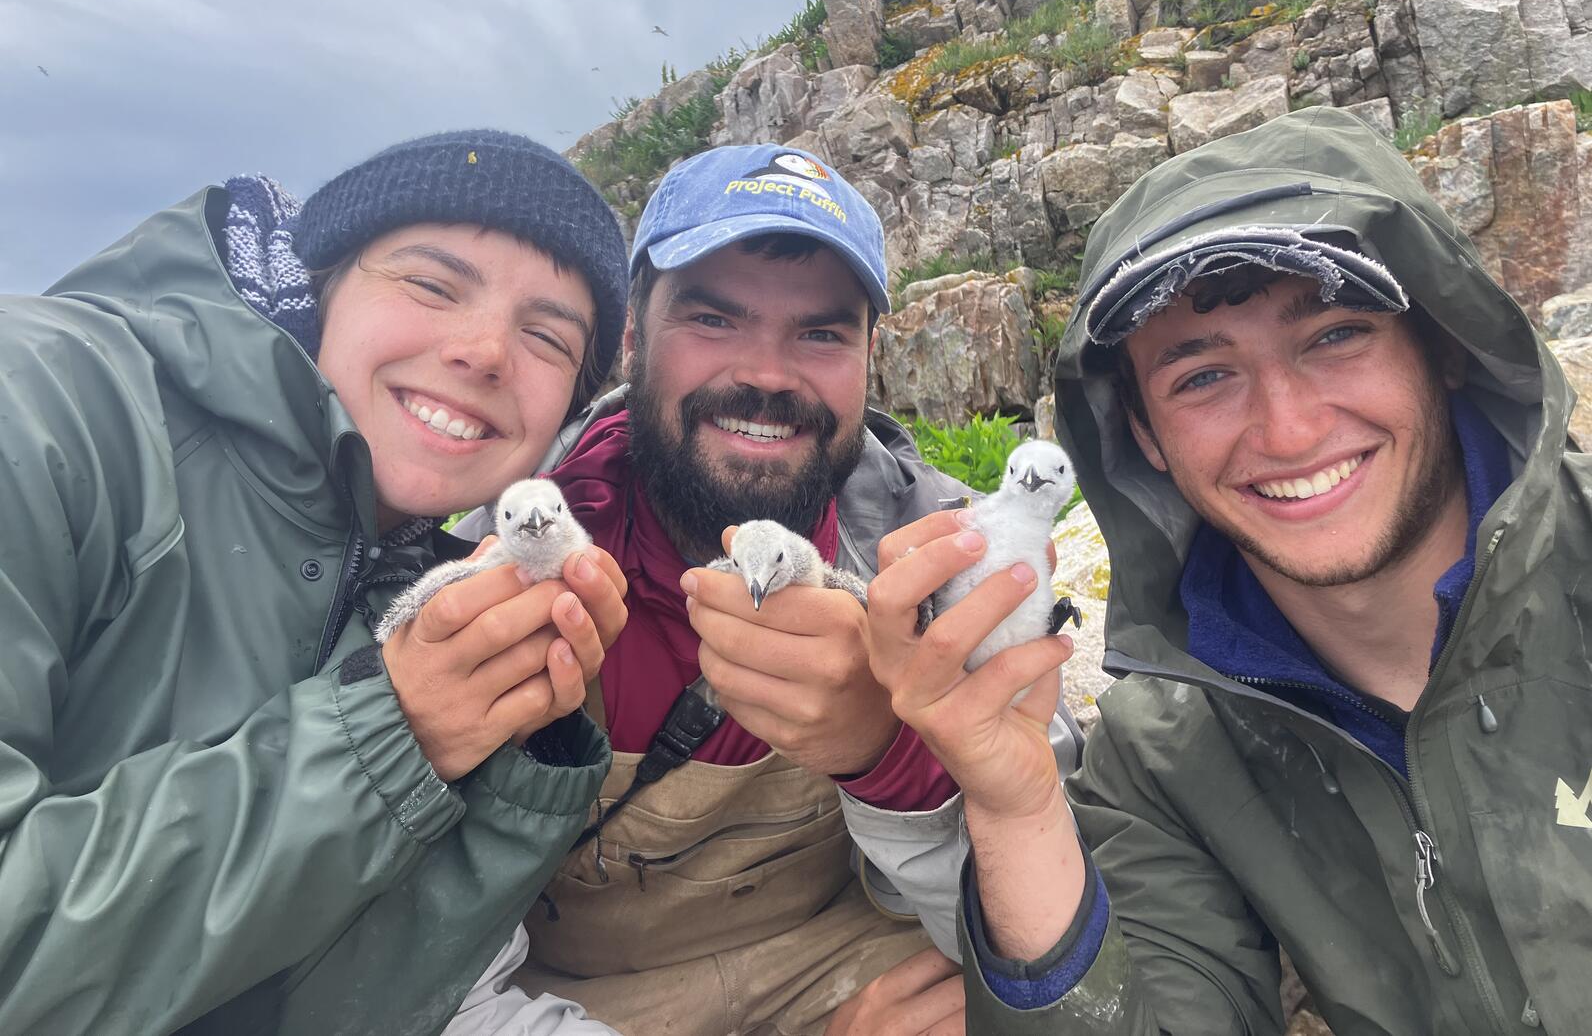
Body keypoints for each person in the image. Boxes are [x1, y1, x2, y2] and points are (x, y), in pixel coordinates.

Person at [866, 106, 1592, 1033]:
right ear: (1144, 438)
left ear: (1442, 343)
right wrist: (1012, 813)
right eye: (1202, 376)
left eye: (1334, 334)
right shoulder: (1162, 758)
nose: (1287, 429)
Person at [0, 130, 634, 1035]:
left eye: (547, 337)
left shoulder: (421, 582)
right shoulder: (38, 402)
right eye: (431, 282)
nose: (487, 350)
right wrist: (392, 734)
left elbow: (350, 1003)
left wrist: (515, 761)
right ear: (321, 283)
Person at [450, 144, 1086, 1036]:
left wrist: (890, 757)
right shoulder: (495, 552)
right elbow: (409, 973)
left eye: (820, 333)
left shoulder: (951, 555)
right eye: (712, 319)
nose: (768, 375)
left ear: (872, 356)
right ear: (632, 338)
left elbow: (1045, 928)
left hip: (836, 962)